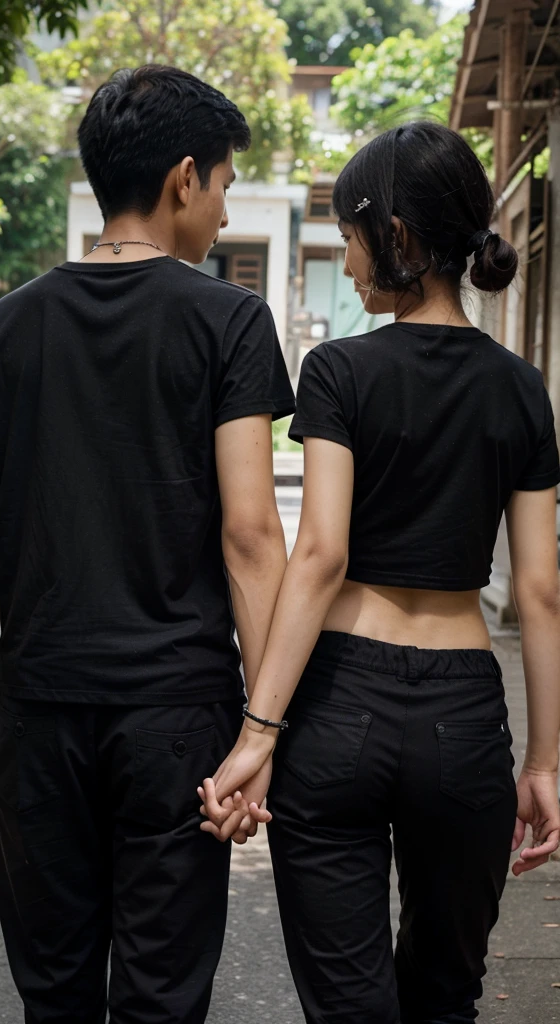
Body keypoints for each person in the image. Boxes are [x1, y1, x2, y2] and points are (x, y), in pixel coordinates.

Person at [0, 64, 295, 1024]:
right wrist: (264, 734)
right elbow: (254, 537)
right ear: (184, 178)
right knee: (161, 999)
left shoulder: (5, 328)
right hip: (178, 721)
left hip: (43, 716)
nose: (221, 209)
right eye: (221, 184)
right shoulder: (231, 320)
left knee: (53, 996)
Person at [200, 121, 560, 1024]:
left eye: (351, 236)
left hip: (340, 708)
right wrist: (548, 759)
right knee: (445, 999)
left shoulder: (339, 371)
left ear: (396, 235)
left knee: (349, 1007)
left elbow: (320, 555)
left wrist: (258, 730)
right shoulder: (522, 389)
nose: (345, 256)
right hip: (466, 717)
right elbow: (541, 591)